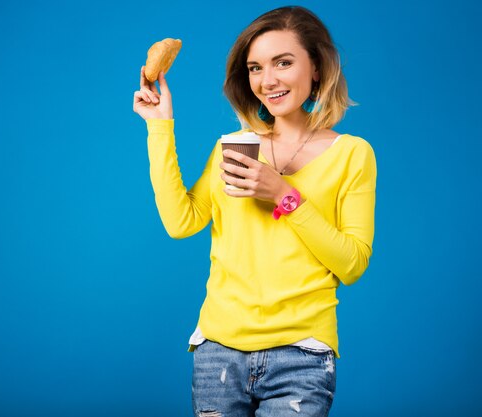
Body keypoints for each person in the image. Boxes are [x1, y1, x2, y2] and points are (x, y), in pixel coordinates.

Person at [133, 6, 376, 417]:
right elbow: (181, 222)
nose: (268, 80)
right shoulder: (233, 145)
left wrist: (284, 194)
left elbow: (352, 264)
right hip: (218, 352)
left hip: (301, 356)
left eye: (284, 62)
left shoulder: (352, 154)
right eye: (255, 67)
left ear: (316, 67)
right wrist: (159, 126)